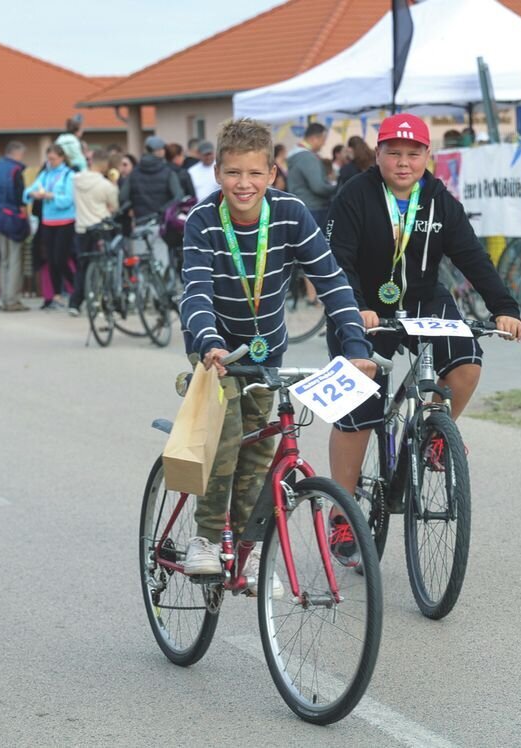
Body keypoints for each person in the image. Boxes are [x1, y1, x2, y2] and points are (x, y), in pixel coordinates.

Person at [177, 117, 376, 586]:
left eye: (253, 174)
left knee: (262, 450)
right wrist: (209, 342)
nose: (243, 184)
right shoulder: (203, 221)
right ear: (217, 173)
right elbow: (196, 293)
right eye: (232, 173)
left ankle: (243, 549)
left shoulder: (290, 214)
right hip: (216, 349)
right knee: (225, 433)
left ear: (271, 174)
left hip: (267, 349)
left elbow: (332, 283)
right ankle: (206, 538)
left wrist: (355, 345)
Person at [324, 112, 521, 498]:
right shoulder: (354, 194)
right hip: (362, 305)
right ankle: (342, 511)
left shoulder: (438, 199)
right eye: (393, 153)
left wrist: (506, 307)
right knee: (358, 408)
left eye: (413, 154)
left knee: (466, 363)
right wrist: (355, 307)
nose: (403, 162)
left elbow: (472, 257)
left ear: (427, 155)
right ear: (377, 154)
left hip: (422, 300)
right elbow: (338, 261)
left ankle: (434, 432)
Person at [68, 147, 120, 316]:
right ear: (104, 164)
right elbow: (114, 207)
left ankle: (75, 303)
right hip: (101, 228)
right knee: (105, 265)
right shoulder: (105, 185)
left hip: (81, 228)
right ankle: (104, 301)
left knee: (82, 266)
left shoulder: (76, 180)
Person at [24, 144, 76, 309]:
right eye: (48, 159)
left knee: (61, 259)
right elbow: (29, 191)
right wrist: (32, 194)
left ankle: (77, 288)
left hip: (65, 221)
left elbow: (68, 199)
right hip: (48, 221)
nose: (50, 162)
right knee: (51, 259)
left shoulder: (69, 175)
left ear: (61, 158)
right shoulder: (45, 175)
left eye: (53, 159)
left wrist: (50, 196)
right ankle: (56, 295)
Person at [0, 141, 30, 312]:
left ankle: (4, 297)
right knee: (15, 259)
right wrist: (25, 220)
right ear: (17, 153)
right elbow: (20, 199)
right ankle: (12, 300)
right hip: (13, 218)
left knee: (4, 260)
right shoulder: (15, 171)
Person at [121, 135, 183, 223]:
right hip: (163, 223)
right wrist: (162, 211)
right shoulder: (169, 172)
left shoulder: (134, 173)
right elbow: (178, 196)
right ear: (160, 151)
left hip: (140, 222)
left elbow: (123, 197)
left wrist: (132, 208)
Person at [287, 122, 338, 228]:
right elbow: (318, 187)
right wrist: (335, 188)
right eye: (323, 140)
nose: (324, 144)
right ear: (315, 138)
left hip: (302, 206)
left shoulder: (296, 155)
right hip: (314, 209)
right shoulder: (307, 157)